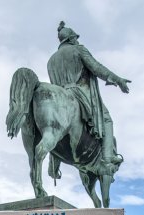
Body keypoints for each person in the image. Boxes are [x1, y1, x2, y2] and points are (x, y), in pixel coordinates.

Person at [47, 21, 130, 168]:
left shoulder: (51, 60)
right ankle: (108, 156)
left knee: (52, 126)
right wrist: (118, 79)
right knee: (107, 120)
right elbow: (97, 68)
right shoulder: (78, 49)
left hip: (59, 94)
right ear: (71, 39)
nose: (77, 40)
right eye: (75, 37)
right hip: (79, 91)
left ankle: (53, 163)